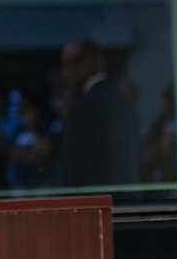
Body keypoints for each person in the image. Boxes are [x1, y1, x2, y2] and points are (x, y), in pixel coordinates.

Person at [54, 38, 140, 187]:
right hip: (128, 196)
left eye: (68, 65)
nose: (64, 73)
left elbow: (70, 169)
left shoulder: (83, 107)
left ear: (87, 64)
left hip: (98, 198)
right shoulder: (123, 99)